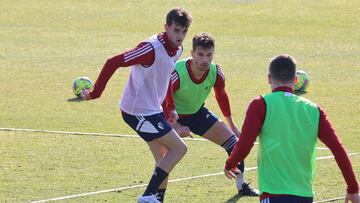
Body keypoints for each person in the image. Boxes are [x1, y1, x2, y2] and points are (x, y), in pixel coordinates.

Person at [81, 8, 192, 203]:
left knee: (163, 158)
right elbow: (112, 62)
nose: (180, 36)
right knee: (179, 149)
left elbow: (165, 77)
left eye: (184, 31)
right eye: (176, 30)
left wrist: (169, 107)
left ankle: (157, 199)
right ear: (166, 27)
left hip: (152, 111)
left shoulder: (177, 49)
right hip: (136, 112)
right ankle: (148, 196)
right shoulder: (150, 49)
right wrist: (94, 94)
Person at [224, 54, 359, 203]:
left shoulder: (260, 104)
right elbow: (338, 149)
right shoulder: (314, 110)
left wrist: (230, 164)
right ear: (295, 80)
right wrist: (353, 189)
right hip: (304, 196)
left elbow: (244, 145)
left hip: (273, 195)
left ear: (269, 78)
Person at [162, 32, 258, 196]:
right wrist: (176, 125)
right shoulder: (177, 73)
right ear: (192, 54)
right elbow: (162, 101)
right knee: (163, 157)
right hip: (169, 116)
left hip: (198, 114)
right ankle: (155, 194)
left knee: (234, 144)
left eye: (209, 54)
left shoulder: (215, 71)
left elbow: (221, 96)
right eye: (200, 54)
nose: (205, 60)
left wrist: (231, 124)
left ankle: (242, 186)